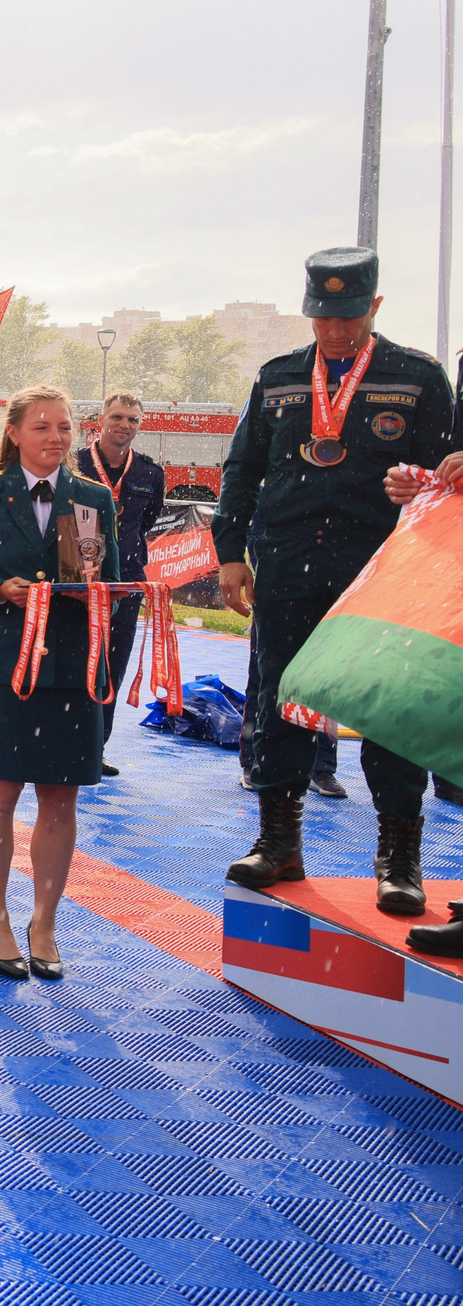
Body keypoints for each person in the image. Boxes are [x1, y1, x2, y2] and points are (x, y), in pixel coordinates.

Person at [230, 249, 454, 913]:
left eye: (349, 317)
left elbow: (449, 478)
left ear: (375, 308)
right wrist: (229, 553)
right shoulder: (276, 379)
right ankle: (278, 842)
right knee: (281, 698)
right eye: (322, 318)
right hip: (288, 565)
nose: (334, 331)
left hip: (381, 576)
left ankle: (398, 858)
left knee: (390, 709)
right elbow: (243, 471)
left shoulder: (417, 378)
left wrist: (420, 490)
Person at [0, 384, 119, 979]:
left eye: (64, 427)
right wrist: (1, 591)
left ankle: (45, 920)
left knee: (61, 797)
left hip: (71, 666)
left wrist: (93, 594)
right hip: (6, 666)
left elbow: (106, 584)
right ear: (14, 433)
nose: (55, 438)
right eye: (41, 427)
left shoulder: (92, 499)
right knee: (0, 791)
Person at [74, 392, 165, 779]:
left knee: (113, 664)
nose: (124, 425)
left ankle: (96, 747)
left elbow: (145, 524)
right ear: (101, 419)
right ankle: (63, 739)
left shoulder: (150, 473)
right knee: (74, 661)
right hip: (75, 582)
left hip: (126, 584)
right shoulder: (74, 463)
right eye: (117, 416)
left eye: (133, 419)